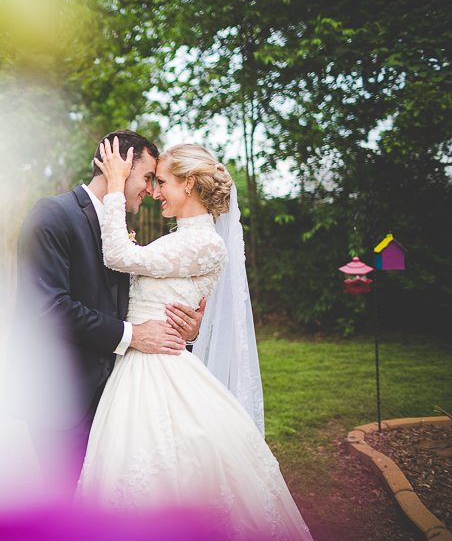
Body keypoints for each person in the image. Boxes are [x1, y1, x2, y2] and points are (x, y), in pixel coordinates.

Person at [74, 140, 312, 540]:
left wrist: (116, 185)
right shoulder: (181, 238)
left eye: (161, 182)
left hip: (160, 368)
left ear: (188, 185)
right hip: (139, 361)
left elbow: (116, 254)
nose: (153, 192)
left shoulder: (204, 242)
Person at [5, 130, 206, 499]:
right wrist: (132, 335)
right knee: (68, 502)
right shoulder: (53, 213)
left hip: (115, 393)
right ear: (117, 166)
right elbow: (49, 308)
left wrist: (187, 327)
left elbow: (132, 302)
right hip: (60, 394)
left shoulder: (118, 231)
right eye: (147, 177)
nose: (151, 190)